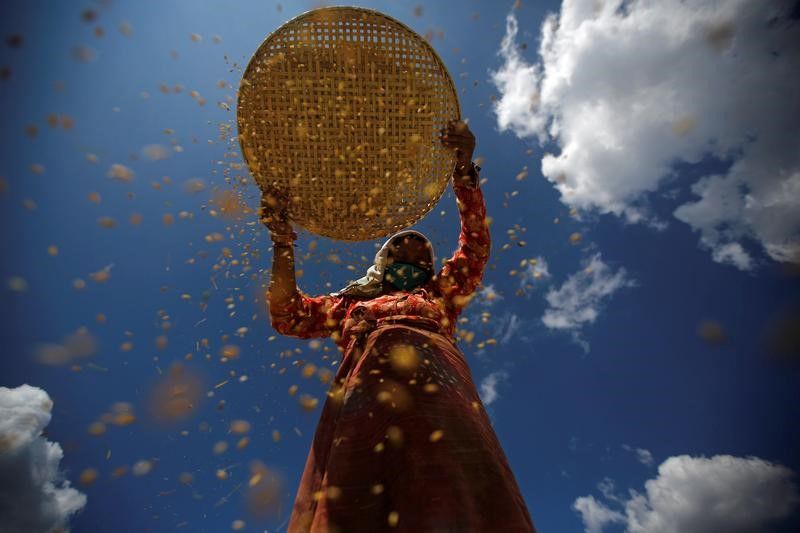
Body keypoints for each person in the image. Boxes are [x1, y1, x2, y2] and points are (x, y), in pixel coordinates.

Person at [262, 120, 536, 532]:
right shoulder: (350, 305)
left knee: (455, 479)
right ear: (382, 267)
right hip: (362, 395)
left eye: (419, 259)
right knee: (353, 488)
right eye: (400, 256)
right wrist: (282, 243)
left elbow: (475, 245)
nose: (410, 264)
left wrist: (464, 169)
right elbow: (288, 314)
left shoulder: (439, 296)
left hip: (439, 387)